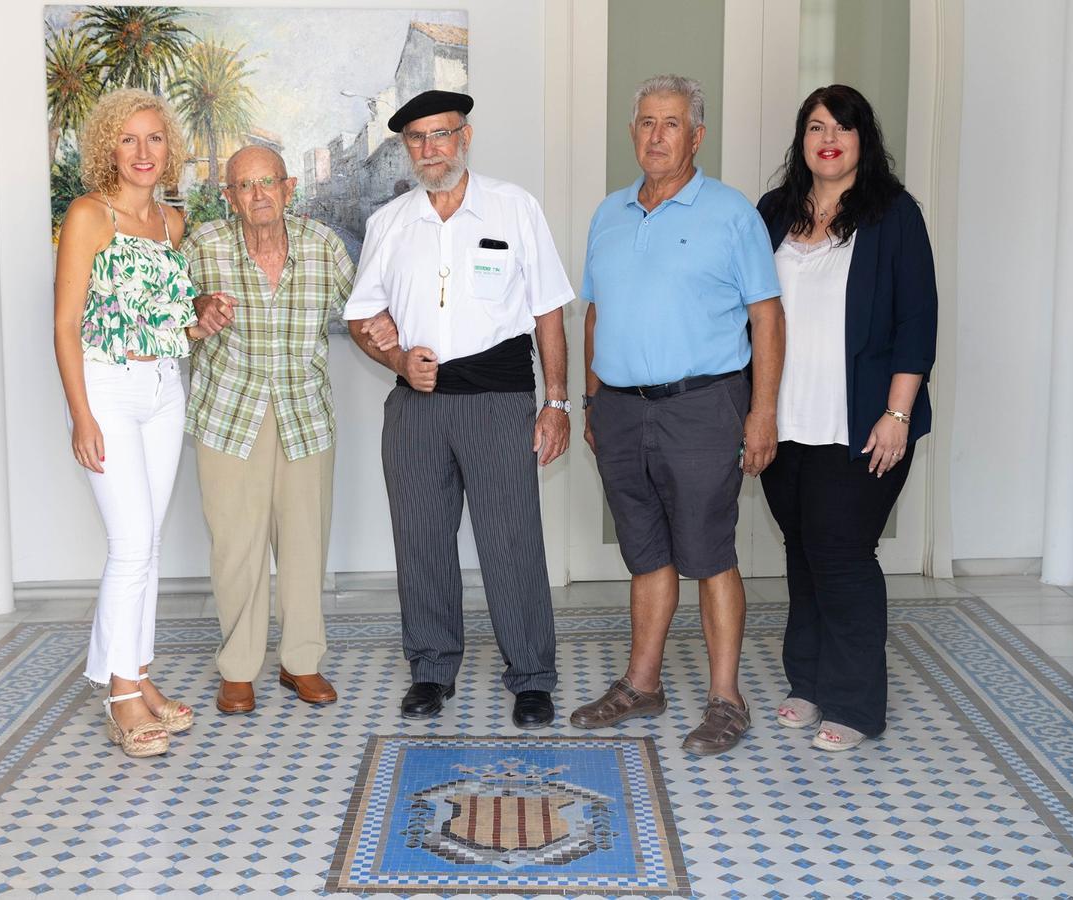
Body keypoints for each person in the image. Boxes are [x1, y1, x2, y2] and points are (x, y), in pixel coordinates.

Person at [344, 90, 574, 730]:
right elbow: (363, 315)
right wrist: (396, 362)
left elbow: (549, 308)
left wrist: (555, 401)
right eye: (417, 138)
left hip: (500, 401)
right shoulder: (389, 223)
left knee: (511, 540)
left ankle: (530, 677)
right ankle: (430, 669)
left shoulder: (513, 206)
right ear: (407, 148)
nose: (430, 148)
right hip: (417, 408)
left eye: (441, 134)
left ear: (465, 137)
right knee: (420, 541)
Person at [571, 75, 785, 757]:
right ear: (631, 131)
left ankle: (727, 700)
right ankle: (642, 685)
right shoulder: (608, 213)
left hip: (702, 406)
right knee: (647, 550)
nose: (655, 136)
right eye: (645, 123)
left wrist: (762, 412)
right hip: (622, 412)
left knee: (710, 553)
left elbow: (767, 316)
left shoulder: (730, 213)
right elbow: (596, 313)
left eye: (670, 124)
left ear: (696, 136)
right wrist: (591, 398)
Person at [183, 146, 396, 715]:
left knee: (305, 545)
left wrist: (405, 347)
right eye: (244, 186)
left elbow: (365, 315)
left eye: (267, 183)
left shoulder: (323, 247)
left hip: (305, 416)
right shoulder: (203, 247)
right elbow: (171, 327)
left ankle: (301, 661)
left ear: (289, 186)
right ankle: (238, 668)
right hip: (228, 418)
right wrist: (194, 316)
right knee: (236, 549)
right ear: (229, 197)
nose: (257, 195)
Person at [757, 84, 937, 751]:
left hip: (863, 422)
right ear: (801, 139)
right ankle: (807, 681)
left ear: (864, 139)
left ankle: (857, 704)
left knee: (841, 554)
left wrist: (898, 411)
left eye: (843, 127)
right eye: (815, 126)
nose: (828, 138)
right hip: (785, 419)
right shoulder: (774, 211)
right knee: (802, 552)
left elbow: (918, 321)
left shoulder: (893, 215)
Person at [53, 89, 208, 758]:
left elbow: (170, 320)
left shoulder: (173, 225)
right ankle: (120, 695)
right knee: (130, 543)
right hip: (107, 387)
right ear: (107, 149)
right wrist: (81, 413)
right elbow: (63, 325)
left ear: (167, 149)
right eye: (128, 140)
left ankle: (138, 676)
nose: (143, 153)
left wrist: (201, 320)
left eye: (154, 139)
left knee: (148, 545)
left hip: (163, 387)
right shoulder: (90, 216)